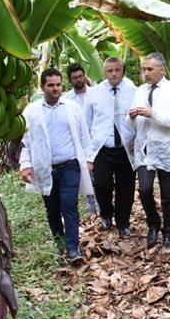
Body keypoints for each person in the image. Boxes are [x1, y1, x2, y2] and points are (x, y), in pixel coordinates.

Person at [19, 68, 94, 264]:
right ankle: (60, 244)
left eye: (58, 85)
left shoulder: (71, 107)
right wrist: (26, 164)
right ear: (42, 86)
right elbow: (25, 142)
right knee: (52, 210)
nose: (55, 89)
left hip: (70, 165)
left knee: (69, 206)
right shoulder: (32, 111)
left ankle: (72, 249)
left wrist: (88, 159)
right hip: (45, 168)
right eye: (51, 85)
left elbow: (84, 135)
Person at [127, 52, 170, 249]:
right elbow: (130, 123)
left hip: (166, 148)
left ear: (162, 69)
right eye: (144, 69)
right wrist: (133, 116)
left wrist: (153, 113)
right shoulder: (140, 91)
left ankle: (169, 232)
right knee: (144, 190)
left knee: (168, 195)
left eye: (150, 69)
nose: (145, 73)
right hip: (144, 149)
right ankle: (153, 223)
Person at [85, 57, 137, 236]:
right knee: (101, 184)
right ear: (104, 72)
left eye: (117, 70)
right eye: (110, 70)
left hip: (126, 149)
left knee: (126, 188)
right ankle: (106, 214)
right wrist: (88, 155)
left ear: (122, 70)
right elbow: (86, 123)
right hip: (102, 149)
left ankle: (123, 223)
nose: (114, 73)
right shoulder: (94, 93)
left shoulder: (133, 91)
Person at [63, 63, 100, 216]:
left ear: (85, 75)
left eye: (80, 76)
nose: (78, 79)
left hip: (97, 140)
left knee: (100, 176)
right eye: (74, 78)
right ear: (70, 80)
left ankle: (102, 203)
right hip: (79, 143)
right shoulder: (66, 99)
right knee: (85, 175)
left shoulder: (96, 93)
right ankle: (90, 203)